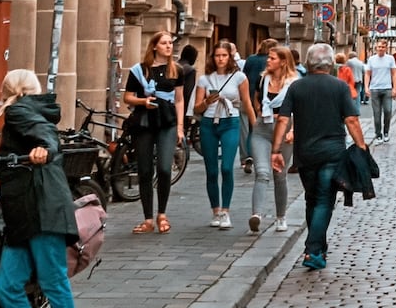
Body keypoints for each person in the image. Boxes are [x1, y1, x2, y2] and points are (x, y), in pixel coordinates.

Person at [0, 69, 81, 308]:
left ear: (10, 89)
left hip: (43, 207)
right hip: (23, 210)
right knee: (7, 284)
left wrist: (45, 148)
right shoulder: (27, 110)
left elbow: (46, 135)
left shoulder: (18, 109)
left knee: (54, 282)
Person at [270, 41, 368, 270]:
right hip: (332, 152)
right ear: (331, 63)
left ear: (309, 63)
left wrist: (275, 150)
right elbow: (351, 120)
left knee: (311, 198)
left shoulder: (297, 87)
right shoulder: (339, 87)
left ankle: (318, 249)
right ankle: (313, 249)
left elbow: (283, 119)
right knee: (324, 200)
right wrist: (361, 146)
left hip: (305, 153)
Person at [123, 30, 187, 235]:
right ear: (154, 46)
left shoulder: (176, 70)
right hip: (144, 122)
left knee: (165, 168)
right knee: (144, 170)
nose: (169, 46)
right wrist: (143, 101)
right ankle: (148, 218)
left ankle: (162, 214)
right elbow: (127, 97)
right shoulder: (139, 70)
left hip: (167, 121)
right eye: (164, 43)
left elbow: (179, 99)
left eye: (170, 43)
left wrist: (180, 127)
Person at [244, 42, 297, 236]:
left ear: (283, 62)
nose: (268, 61)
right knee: (262, 172)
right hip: (262, 129)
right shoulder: (262, 79)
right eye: (268, 57)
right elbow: (256, 97)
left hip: (285, 130)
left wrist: (294, 130)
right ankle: (256, 215)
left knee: (279, 175)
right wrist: (259, 111)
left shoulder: (294, 83)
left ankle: (281, 217)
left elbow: (299, 108)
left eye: (272, 58)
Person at [195, 41, 249, 230]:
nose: (220, 59)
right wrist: (206, 102)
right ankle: (215, 210)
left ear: (230, 57)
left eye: (224, 55)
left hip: (230, 122)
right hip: (209, 124)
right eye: (217, 55)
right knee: (211, 170)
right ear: (213, 57)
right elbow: (197, 107)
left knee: (227, 167)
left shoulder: (239, 77)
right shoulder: (204, 79)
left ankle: (226, 211)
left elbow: (247, 103)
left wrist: (255, 125)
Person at [364, 39, 396, 139]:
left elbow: (394, 73)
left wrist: (394, 88)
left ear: (386, 48)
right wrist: (366, 87)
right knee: (377, 113)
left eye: (383, 47)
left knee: (388, 111)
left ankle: (386, 131)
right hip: (374, 88)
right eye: (379, 47)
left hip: (387, 88)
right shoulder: (371, 59)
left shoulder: (390, 59)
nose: (380, 49)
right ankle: (378, 134)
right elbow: (367, 74)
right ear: (376, 48)